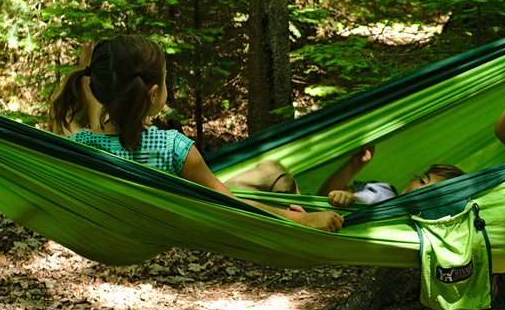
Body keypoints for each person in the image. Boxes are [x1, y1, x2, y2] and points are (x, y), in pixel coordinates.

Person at [49, 35, 343, 232]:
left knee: (269, 172)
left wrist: (81, 72)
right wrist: (301, 220)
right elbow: (228, 204)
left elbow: (77, 126)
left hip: (116, 232)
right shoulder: (172, 148)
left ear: (97, 88)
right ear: (153, 94)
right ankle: (300, 202)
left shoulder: (80, 148)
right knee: (272, 172)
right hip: (183, 224)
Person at [317, 144, 464, 207]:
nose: (419, 190)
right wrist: (354, 165)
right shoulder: (382, 189)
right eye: (422, 181)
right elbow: (322, 199)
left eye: (430, 194)